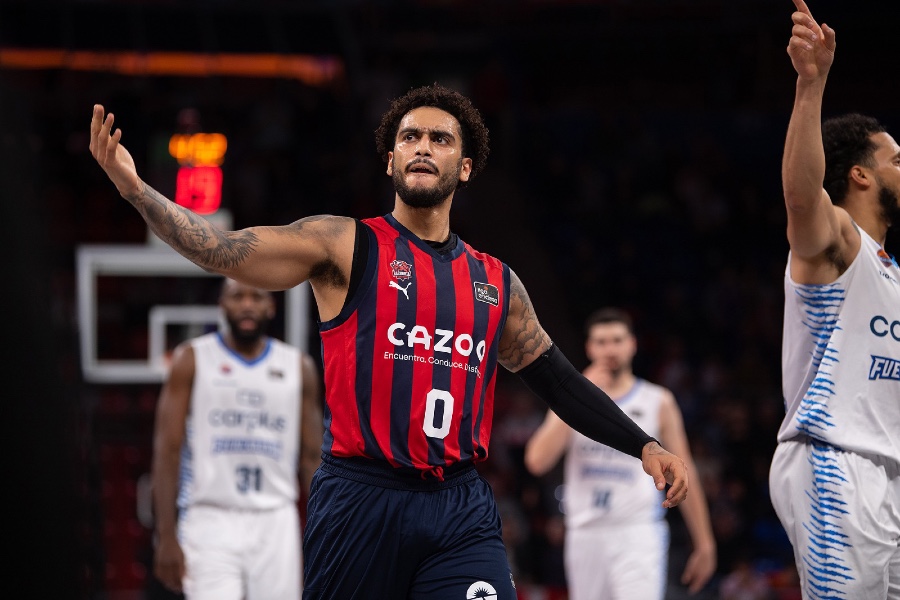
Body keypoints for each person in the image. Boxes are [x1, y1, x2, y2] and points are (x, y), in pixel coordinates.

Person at [90, 83, 690, 599]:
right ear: (390, 160)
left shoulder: (495, 284)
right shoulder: (343, 245)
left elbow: (558, 381)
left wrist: (642, 444)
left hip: (458, 505)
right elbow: (223, 250)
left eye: (440, 139)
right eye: (410, 137)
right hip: (360, 498)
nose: (423, 146)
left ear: (465, 167)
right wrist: (137, 190)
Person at [768, 1, 900, 598]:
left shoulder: (888, 271)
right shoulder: (840, 242)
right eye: (896, 159)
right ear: (862, 175)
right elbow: (801, 198)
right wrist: (811, 84)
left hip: (885, 473)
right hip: (835, 462)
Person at [524, 307, 716, 599]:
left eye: (617, 340)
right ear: (589, 348)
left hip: (637, 530)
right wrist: (576, 395)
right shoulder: (572, 399)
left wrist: (704, 543)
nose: (609, 349)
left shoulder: (658, 400)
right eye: (601, 342)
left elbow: (684, 469)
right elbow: (536, 461)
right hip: (584, 531)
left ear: (632, 344)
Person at [150, 278, 323, 600]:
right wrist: (166, 534)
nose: (246, 305)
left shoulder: (299, 367)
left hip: (276, 517)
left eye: (256, 297)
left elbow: (312, 458)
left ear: (271, 307)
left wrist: (323, 530)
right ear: (221, 305)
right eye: (237, 296)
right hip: (210, 516)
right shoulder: (191, 359)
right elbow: (167, 451)